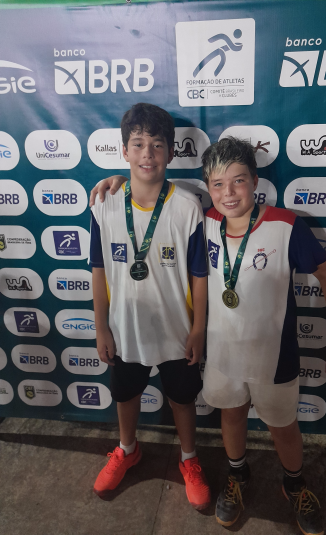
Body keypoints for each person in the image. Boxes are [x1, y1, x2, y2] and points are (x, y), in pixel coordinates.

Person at [90, 137, 326, 535]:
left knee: (283, 426)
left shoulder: (286, 226)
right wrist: (120, 180)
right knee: (232, 415)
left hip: (274, 357)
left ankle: (295, 484)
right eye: (217, 184)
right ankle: (237, 474)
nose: (228, 193)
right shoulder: (206, 221)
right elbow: (150, 198)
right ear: (209, 189)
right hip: (223, 354)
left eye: (238, 181)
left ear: (256, 181)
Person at [89, 102, 210, 510]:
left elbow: (199, 276)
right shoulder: (103, 204)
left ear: (171, 153)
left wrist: (198, 329)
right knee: (125, 394)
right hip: (125, 328)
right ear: (124, 151)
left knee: (183, 398)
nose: (147, 154)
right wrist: (101, 327)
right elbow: (99, 270)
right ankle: (127, 449)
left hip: (177, 330)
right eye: (138, 144)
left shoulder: (188, 208)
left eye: (157, 145)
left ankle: (189, 458)